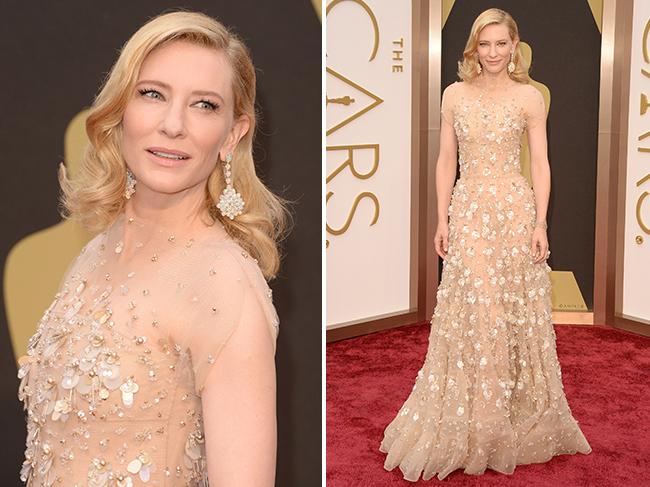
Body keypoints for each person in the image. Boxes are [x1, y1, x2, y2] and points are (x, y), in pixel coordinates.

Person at [17, 11, 289, 486]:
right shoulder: (95, 252)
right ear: (120, 109)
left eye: (204, 105)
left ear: (231, 135)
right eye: (152, 94)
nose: (173, 124)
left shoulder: (224, 285)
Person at [379, 8, 591, 481]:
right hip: (470, 210)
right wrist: (441, 219)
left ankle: (504, 416)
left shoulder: (530, 98)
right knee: (481, 309)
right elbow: (444, 160)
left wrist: (540, 222)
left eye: (502, 44)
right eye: (485, 44)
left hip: (514, 212)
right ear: (474, 47)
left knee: (512, 311)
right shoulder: (454, 95)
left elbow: (541, 163)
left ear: (515, 46)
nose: (493, 53)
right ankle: (477, 418)